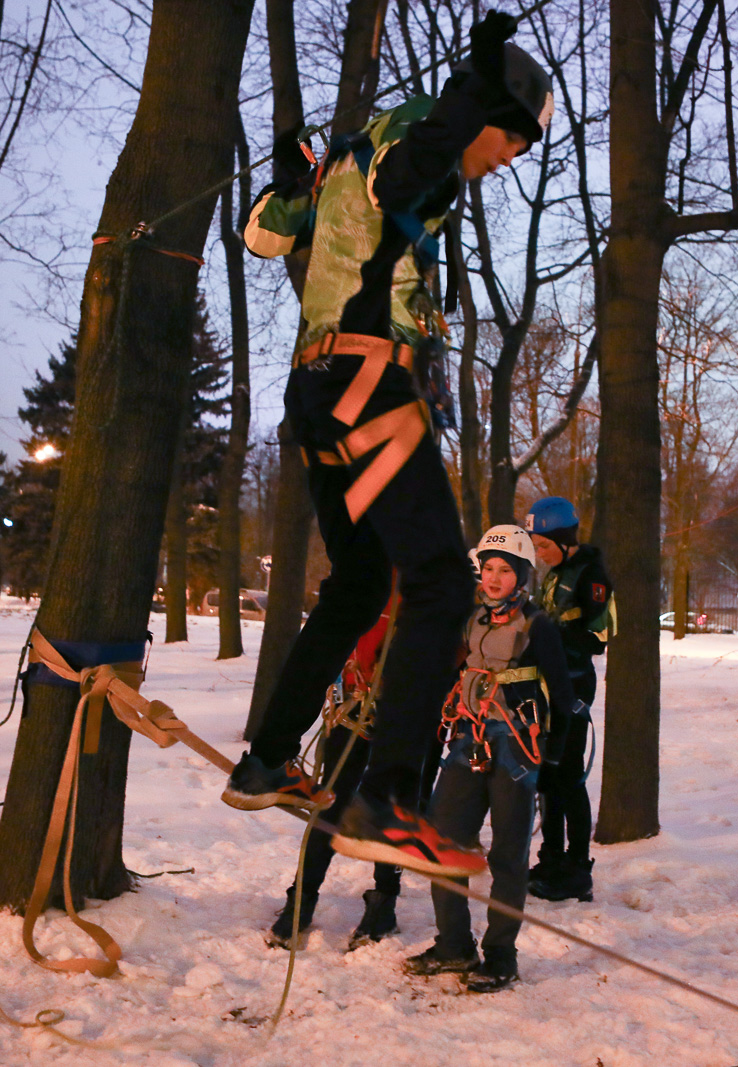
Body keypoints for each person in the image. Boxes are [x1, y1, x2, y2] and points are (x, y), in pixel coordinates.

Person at [224, 11, 554, 877]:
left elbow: (263, 234)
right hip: (369, 382)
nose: (508, 158)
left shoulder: (345, 163)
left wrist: (297, 171)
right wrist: (471, 95)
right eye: (510, 141)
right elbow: (413, 171)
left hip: (318, 388)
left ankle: (264, 755)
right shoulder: (420, 145)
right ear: (484, 114)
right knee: (441, 582)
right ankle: (389, 796)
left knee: (364, 578)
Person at [405, 526, 572, 992]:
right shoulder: (471, 620)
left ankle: (501, 955)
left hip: (517, 748)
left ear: (521, 575)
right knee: (443, 843)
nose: (494, 578)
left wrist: (553, 763)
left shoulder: (539, 625)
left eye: (505, 570)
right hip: (466, 740)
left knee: (507, 855)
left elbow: (563, 695)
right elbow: (453, 671)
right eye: (488, 569)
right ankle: (454, 945)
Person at [266, 607, 414, 952]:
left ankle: (384, 902)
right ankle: (301, 898)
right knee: (329, 805)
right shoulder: (362, 576)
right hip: (351, 710)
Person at [523, 496, 611, 903]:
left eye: (543, 545)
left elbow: (599, 637)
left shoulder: (591, 574)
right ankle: (551, 857)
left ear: (564, 539)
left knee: (569, 776)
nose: (539, 554)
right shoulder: (556, 574)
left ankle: (578, 868)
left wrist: (552, 637)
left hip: (573, 685)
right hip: (547, 685)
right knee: (547, 774)